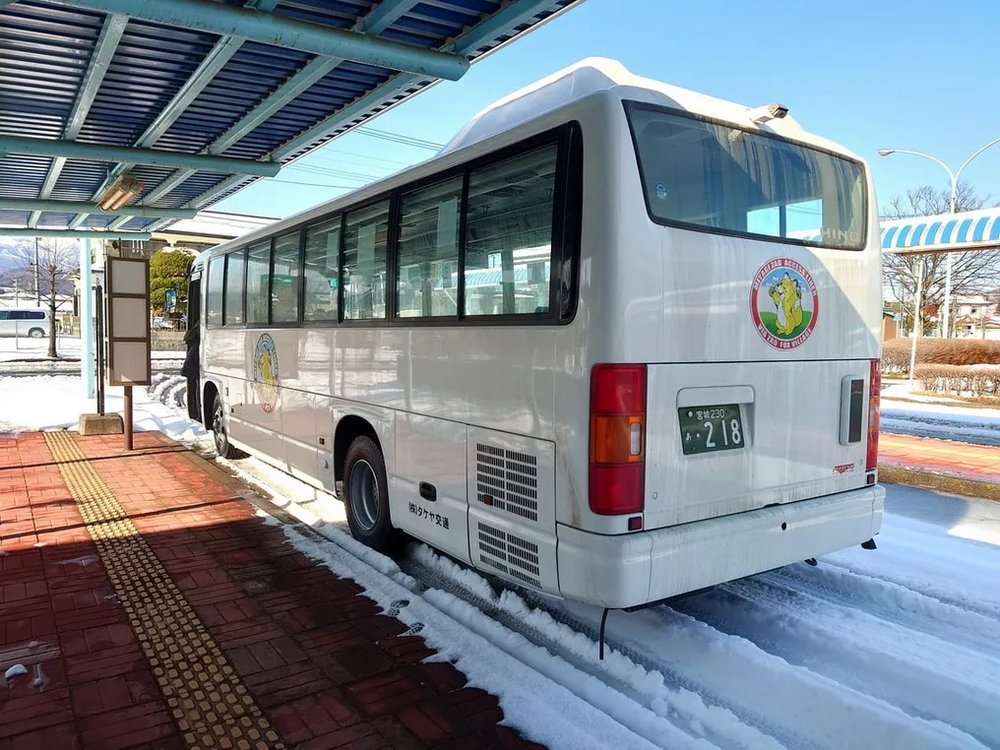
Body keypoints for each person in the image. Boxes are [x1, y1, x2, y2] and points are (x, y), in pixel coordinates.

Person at [181, 322, 201, 420]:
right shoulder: (204, 322)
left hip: (193, 361)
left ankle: (197, 413)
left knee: (197, 388)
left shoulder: (199, 324)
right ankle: (198, 413)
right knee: (198, 388)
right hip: (195, 362)